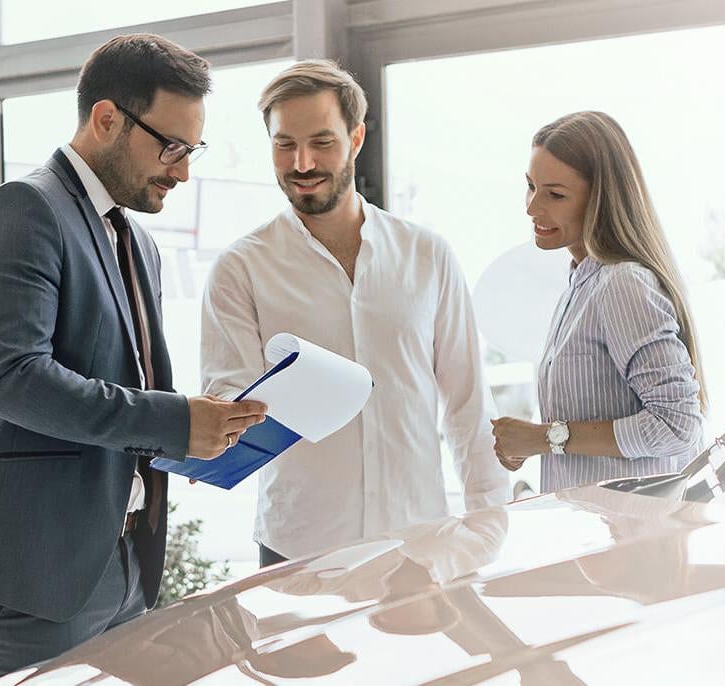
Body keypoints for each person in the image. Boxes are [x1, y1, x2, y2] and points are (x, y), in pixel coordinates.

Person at [0, 34, 267, 685]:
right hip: (32, 571)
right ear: (107, 118)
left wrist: (195, 434)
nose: (183, 171)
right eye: (171, 147)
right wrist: (170, 421)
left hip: (122, 561)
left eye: (192, 151)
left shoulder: (137, 240)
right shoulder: (23, 210)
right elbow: (12, 379)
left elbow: (118, 389)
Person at [200, 59, 510, 567]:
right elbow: (227, 403)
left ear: (357, 137)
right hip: (297, 551)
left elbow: (468, 402)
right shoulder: (241, 268)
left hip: (420, 545)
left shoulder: (427, 255)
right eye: (284, 144)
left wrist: (485, 530)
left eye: (322, 142)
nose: (301, 163)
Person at [491, 111, 706, 492]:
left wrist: (546, 438)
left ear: (600, 200)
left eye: (555, 194)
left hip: (629, 539)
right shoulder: (580, 284)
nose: (532, 208)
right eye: (531, 186)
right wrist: (533, 442)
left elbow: (677, 424)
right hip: (593, 534)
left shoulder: (623, 285)